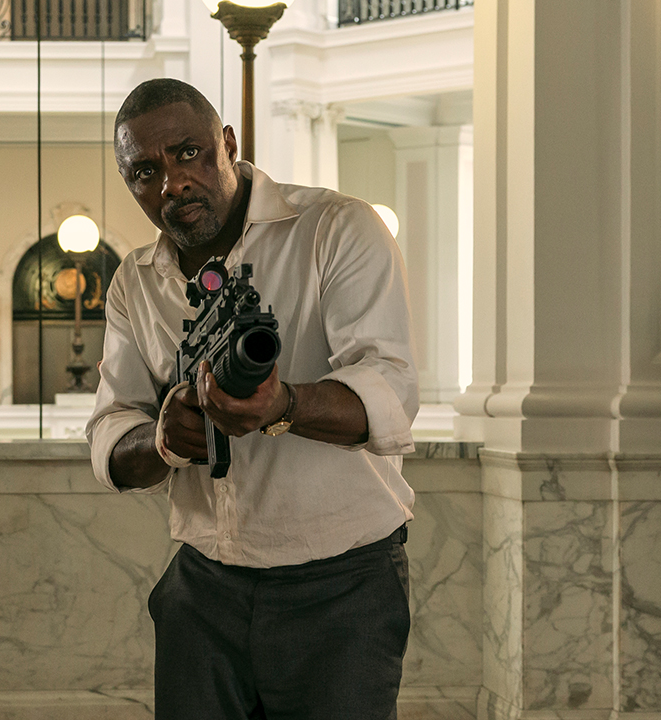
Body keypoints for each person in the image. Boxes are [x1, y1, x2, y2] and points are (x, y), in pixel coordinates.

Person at [86, 78, 418, 718]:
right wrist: (164, 438)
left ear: (229, 145)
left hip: (341, 584)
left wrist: (283, 404)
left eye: (188, 153)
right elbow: (111, 435)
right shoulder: (135, 281)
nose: (172, 184)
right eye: (144, 172)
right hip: (203, 585)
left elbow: (391, 393)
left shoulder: (335, 228)